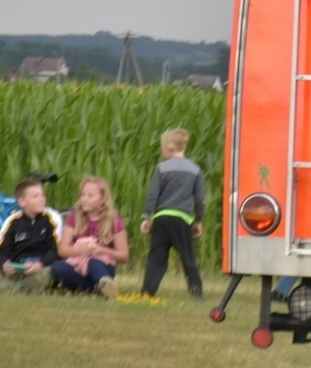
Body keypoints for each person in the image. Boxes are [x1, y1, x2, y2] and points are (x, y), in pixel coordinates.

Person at [141, 127, 205, 300]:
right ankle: (196, 293)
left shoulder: (161, 168)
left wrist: (147, 216)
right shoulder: (195, 170)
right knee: (188, 257)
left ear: (168, 148)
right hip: (183, 219)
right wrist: (199, 220)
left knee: (156, 258)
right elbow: (199, 199)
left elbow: (153, 195)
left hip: (161, 218)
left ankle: (148, 292)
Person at [51, 176, 130, 299]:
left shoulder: (114, 221)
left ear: (103, 199)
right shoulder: (74, 217)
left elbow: (124, 256)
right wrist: (80, 251)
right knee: (57, 268)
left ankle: (103, 284)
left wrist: (101, 251)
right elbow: (62, 250)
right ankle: (98, 289)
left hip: (102, 267)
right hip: (78, 266)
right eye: (83, 195)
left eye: (90, 196)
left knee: (93, 262)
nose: (85, 199)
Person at [0, 180, 62, 293]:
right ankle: (21, 289)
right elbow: (2, 250)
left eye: (42, 195)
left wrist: (40, 264)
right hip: (18, 267)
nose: (41, 199)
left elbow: (56, 250)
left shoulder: (52, 218)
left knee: (56, 269)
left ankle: (12, 289)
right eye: (35, 196)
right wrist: (5, 264)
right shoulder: (12, 221)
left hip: (41, 267)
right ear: (22, 201)